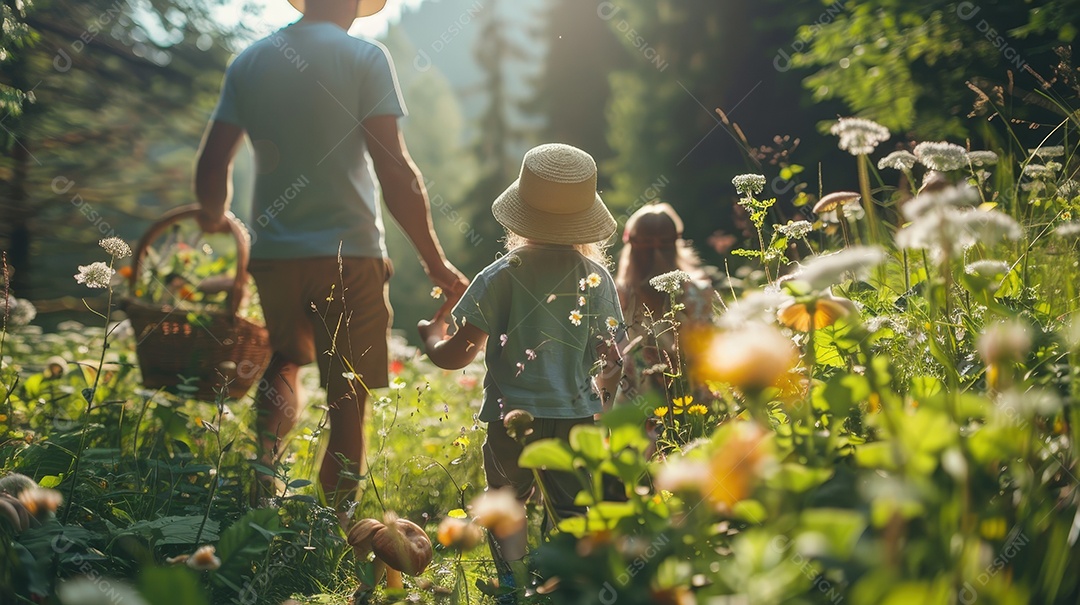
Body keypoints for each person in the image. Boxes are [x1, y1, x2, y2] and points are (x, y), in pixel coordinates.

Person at [194, 0, 468, 513]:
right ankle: (329, 527)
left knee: (284, 360)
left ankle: (262, 495)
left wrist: (213, 215)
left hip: (274, 255)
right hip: (350, 255)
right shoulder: (364, 57)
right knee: (347, 398)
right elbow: (395, 170)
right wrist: (434, 262)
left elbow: (212, 165)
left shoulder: (251, 59)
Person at [417, 143, 623, 602]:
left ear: (519, 213)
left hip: (509, 416)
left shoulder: (499, 275)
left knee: (507, 504)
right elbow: (613, 359)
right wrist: (602, 403)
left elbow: (455, 356)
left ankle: (512, 587)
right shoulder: (595, 278)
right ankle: (565, 584)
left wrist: (431, 336)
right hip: (574, 417)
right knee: (572, 508)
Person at [614, 202, 713, 406]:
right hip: (670, 403)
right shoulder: (698, 293)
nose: (655, 252)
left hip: (678, 403)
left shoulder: (619, 296)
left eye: (662, 243)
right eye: (647, 243)